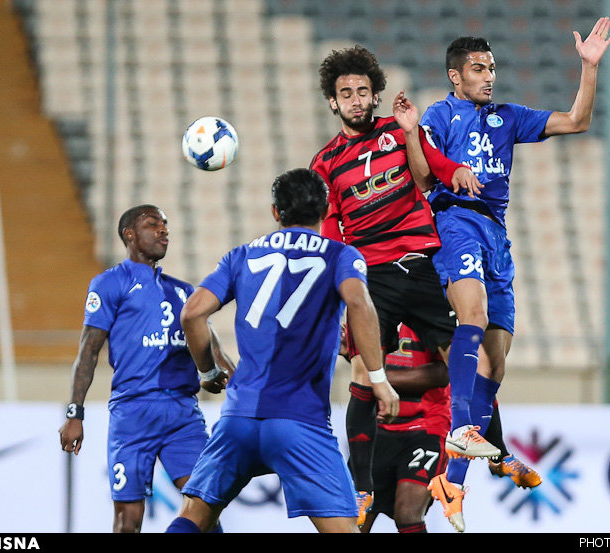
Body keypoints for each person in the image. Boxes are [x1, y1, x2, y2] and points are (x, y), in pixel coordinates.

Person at [419, 19, 610, 530]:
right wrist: (449, 170)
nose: (489, 77)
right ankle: (463, 427)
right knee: (474, 314)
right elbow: (421, 166)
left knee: (497, 364)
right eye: (479, 69)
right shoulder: (439, 115)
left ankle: (452, 480)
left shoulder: (508, 117)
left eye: (492, 68)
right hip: (455, 221)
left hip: (497, 236)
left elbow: (576, 121)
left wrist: (588, 68)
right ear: (454, 76)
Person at [310, 45, 498, 525]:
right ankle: (360, 490)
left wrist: (451, 169)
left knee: (472, 357)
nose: (355, 100)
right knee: (360, 374)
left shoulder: (398, 132)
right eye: (345, 93)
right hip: (373, 277)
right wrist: (336, 286)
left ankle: (489, 451)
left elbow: (430, 162)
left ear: (375, 95)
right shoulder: (327, 162)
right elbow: (331, 230)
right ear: (333, 102)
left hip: (422, 264)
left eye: (362, 91)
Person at [165, 168, 400, 534]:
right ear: (325, 209)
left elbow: (193, 313)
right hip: (299, 422)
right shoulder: (341, 255)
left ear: (276, 212)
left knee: (194, 517)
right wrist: (379, 378)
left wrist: (209, 372)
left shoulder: (241, 255)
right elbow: (359, 302)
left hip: (238, 420)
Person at [58, 204, 231, 533]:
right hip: (133, 412)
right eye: (154, 225)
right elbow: (88, 350)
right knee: (128, 521)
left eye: (165, 225)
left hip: (183, 413)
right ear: (130, 234)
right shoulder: (109, 284)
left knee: (206, 507)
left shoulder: (184, 291)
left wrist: (235, 385)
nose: (164, 231)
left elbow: (214, 345)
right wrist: (74, 413)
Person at [355, 324, 450, 534]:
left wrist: (377, 380)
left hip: (426, 428)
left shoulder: (432, 312)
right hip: (378, 427)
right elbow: (359, 362)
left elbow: (442, 373)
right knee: (355, 518)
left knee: (408, 515)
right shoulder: (373, 312)